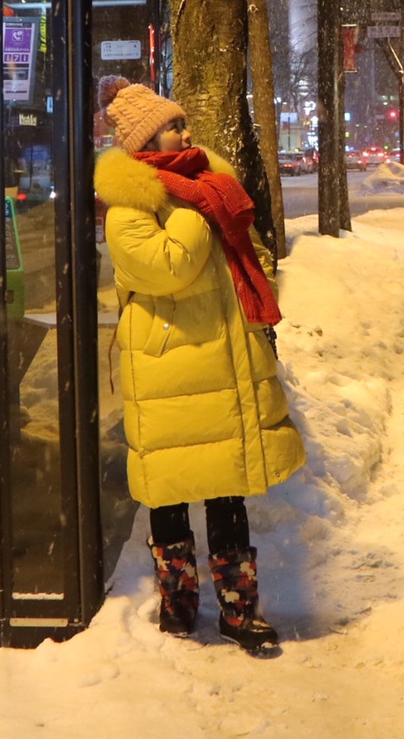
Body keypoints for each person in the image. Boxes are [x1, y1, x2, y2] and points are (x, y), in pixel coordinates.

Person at [93, 78, 305, 656]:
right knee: (171, 494)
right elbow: (171, 268)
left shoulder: (206, 184)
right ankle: (178, 607)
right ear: (145, 141)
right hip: (168, 366)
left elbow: (250, 249)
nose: (187, 133)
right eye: (174, 126)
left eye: (185, 123)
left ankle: (240, 611)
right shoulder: (132, 202)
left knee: (227, 488)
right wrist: (193, 204)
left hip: (221, 350)